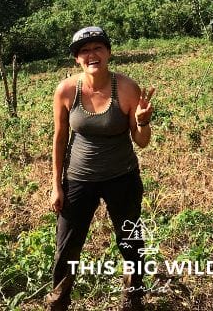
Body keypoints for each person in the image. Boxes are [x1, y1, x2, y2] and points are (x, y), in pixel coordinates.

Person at [45, 26, 154, 311]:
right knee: (67, 246)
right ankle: (59, 301)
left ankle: (133, 299)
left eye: (97, 48)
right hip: (78, 179)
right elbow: (59, 138)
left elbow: (141, 142)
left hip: (122, 178)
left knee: (130, 239)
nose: (91, 55)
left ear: (108, 53)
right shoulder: (66, 90)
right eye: (84, 51)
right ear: (76, 59)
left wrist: (142, 120)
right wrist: (56, 184)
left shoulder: (128, 88)